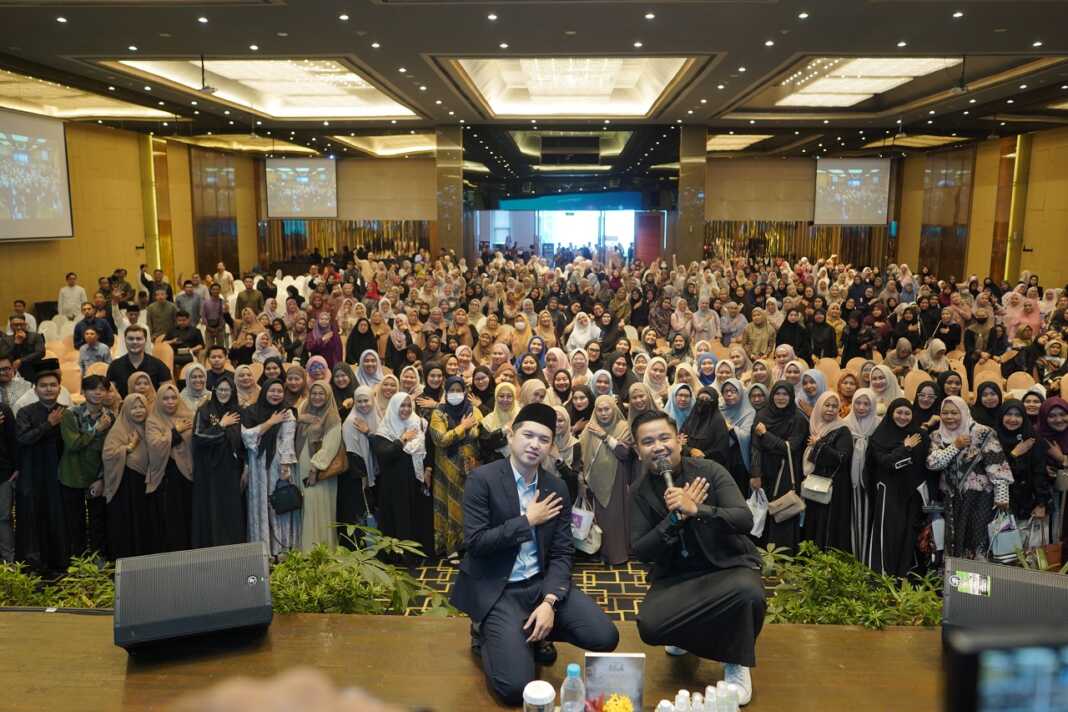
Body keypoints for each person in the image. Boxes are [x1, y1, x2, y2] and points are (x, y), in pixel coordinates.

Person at [450, 402, 619, 706]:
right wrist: (526, 521)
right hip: (500, 589)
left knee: (605, 637)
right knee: (515, 689)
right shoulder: (483, 479)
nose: (534, 444)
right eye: (528, 435)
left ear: (551, 447)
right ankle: (484, 632)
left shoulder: (556, 487)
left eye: (543, 439)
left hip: (540, 584)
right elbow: (475, 543)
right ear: (511, 436)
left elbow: (563, 551)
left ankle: (536, 632)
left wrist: (550, 602)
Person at [629, 409, 764, 707]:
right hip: (678, 575)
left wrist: (697, 510)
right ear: (638, 451)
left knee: (748, 594)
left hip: (727, 566)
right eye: (648, 442)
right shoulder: (638, 491)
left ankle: (735, 660)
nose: (658, 447)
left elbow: (744, 519)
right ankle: (684, 636)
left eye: (664, 438)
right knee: (650, 626)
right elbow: (641, 551)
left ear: (679, 440)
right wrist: (673, 520)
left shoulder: (710, 470)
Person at [927, 395, 1013, 560]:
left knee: (977, 539)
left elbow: (997, 463)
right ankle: (954, 575)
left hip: (979, 499)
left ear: (964, 412)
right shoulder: (937, 436)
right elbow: (933, 464)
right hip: (951, 499)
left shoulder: (982, 432)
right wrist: (955, 446)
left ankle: (979, 575)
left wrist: (1002, 495)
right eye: (945, 413)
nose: (949, 417)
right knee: (952, 542)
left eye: (954, 413)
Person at [14, 359, 68, 572]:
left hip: (58, 474)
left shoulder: (66, 412)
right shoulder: (25, 412)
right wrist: (48, 424)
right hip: (32, 473)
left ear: (59, 388)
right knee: (33, 519)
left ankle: (59, 563)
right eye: (43, 386)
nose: (48, 389)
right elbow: (23, 438)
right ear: (35, 389)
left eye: (53, 385)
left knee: (57, 517)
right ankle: (34, 565)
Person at [864, 398, 925, 577]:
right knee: (888, 533)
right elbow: (885, 463)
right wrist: (905, 449)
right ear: (891, 413)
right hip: (888, 492)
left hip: (912, 493)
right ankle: (881, 576)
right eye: (899, 412)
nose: (903, 417)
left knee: (907, 535)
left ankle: (903, 576)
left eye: (907, 413)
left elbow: (922, 463)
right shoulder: (880, 436)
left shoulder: (919, 435)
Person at [242, 379, 301, 557]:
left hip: (278, 463)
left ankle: (282, 550)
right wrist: (271, 422)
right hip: (257, 464)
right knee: (261, 504)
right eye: (272, 390)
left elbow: (288, 440)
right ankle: (263, 550)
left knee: (279, 503)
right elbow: (247, 437)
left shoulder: (287, 412)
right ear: (264, 391)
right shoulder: (251, 411)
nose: (276, 394)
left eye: (279, 391)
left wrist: (285, 466)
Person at [58, 375, 113, 561]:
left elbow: (110, 451)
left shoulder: (110, 416)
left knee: (98, 521)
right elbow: (73, 444)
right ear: (83, 391)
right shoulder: (70, 414)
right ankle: (78, 561)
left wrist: (102, 478)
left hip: (96, 476)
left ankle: (98, 560)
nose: (98, 392)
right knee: (75, 522)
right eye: (93, 388)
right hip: (72, 476)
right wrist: (97, 429)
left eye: (102, 389)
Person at [750, 381, 809, 552]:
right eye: (777, 393)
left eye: (785, 394)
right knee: (764, 512)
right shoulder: (762, 415)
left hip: (786, 471)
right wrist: (755, 473)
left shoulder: (798, 419)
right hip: (765, 470)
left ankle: (783, 555)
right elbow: (755, 447)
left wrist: (765, 434)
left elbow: (789, 448)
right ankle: (762, 553)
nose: (781, 398)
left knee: (783, 512)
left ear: (791, 396)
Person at [578, 394, 635, 565]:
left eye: (607, 409)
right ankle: (598, 553)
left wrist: (605, 436)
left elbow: (624, 453)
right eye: (599, 410)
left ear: (614, 409)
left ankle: (616, 554)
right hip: (592, 480)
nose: (603, 413)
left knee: (614, 517)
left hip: (615, 478)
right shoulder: (590, 428)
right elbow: (581, 453)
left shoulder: (623, 426)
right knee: (597, 518)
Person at [429, 376, 482, 559]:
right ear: (446, 392)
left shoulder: (474, 410)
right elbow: (440, 439)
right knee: (450, 504)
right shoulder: (439, 413)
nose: (455, 394)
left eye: (459, 390)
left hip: (470, 467)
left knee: (470, 505)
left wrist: (463, 430)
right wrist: (463, 427)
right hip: (447, 468)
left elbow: (477, 433)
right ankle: (451, 547)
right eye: (451, 390)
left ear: (465, 392)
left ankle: (470, 544)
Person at [190, 376, 246, 548]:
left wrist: (246, 467)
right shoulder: (205, 410)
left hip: (231, 469)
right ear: (214, 391)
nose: (223, 393)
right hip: (209, 470)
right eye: (220, 389)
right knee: (211, 508)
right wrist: (221, 425)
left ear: (233, 391)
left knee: (230, 510)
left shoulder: (238, 411)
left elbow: (245, 441)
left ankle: (232, 549)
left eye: (227, 390)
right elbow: (198, 437)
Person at [370, 392, 428, 556]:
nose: (406, 409)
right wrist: (402, 439)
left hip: (412, 481)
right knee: (396, 518)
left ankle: (412, 555)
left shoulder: (416, 423)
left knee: (412, 516)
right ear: (394, 406)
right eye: (402, 405)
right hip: (393, 484)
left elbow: (425, 451)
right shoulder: (385, 429)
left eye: (409, 405)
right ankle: (396, 556)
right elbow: (385, 454)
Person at [800, 392, 854, 551]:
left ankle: (826, 561)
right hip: (814, 485)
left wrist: (819, 445)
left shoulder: (843, 430)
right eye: (827, 405)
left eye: (834, 406)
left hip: (833, 487)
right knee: (813, 522)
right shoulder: (814, 427)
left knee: (827, 525)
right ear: (819, 407)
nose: (830, 409)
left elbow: (842, 457)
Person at [101, 393, 153, 559]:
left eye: (141, 407)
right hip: (127, 483)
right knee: (129, 521)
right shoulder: (119, 429)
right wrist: (129, 447)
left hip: (148, 481)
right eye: (133, 408)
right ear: (126, 410)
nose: (138, 411)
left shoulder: (151, 427)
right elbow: (108, 454)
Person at [146, 383, 194, 553]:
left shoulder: (188, 415)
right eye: (165, 398)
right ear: (159, 400)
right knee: (171, 520)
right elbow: (155, 445)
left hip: (188, 475)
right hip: (166, 477)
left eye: (174, 398)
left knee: (189, 517)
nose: (170, 402)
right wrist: (176, 430)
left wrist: (171, 435)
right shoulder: (153, 420)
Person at [295, 382, 344, 551]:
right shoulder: (304, 410)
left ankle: (319, 549)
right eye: (314, 393)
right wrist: (299, 418)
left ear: (328, 395)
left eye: (321, 394)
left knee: (318, 506)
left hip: (319, 470)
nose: (317, 397)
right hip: (301, 466)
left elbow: (331, 446)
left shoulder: (332, 416)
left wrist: (315, 468)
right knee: (306, 506)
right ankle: (305, 548)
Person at [340, 386, 378, 548]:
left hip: (373, 472)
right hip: (358, 476)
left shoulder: (376, 417)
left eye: (366, 400)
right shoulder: (351, 421)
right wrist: (363, 478)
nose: (363, 404)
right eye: (359, 401)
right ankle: (359, 548)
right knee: (359, 512)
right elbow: (352, 451)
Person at [107, 325, 173, 398]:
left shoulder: (159, 366)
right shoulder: (115, 366)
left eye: (139, 339)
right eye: (130, 339)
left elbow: (168, 395)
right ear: (125, 340)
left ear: (145, 341)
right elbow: (109, 394)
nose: (134, 342)